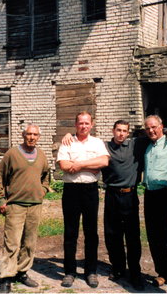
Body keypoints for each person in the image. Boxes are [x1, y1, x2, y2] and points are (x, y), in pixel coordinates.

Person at [61, 120, 167, 291]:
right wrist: (69, 135)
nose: (121, 134)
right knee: (112, 235)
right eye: (118, 130)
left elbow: (156, 131)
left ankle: (135, 274)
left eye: (125, 131)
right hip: (111, 195)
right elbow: (89, 149)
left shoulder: (136, 144)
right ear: (113, 130)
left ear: (128, 132)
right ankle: (118, 269)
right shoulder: (104, 146)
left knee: (132, 237)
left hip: (130, 195)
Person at [0, 124, 51, 293]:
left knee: (29, 242)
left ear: (39, 136)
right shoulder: (12, 153)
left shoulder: (41, 155)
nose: (32, 137)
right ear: (23, 134)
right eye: (29, 134)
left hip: (35, 205)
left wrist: (43, 190)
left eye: (35, 135)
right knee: (11, 242)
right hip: (15, 205)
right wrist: (0, 199)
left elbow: (47, 175)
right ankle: (6, 277)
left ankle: (22, 272)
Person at [56, 111, 110, 288]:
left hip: (90, 190)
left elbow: (103, 162)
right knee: (70, 233)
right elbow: (63, 165)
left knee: (91, 232)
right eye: (80, 123)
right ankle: (70, 272)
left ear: (91, 125)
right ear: (75, 124)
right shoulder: (67, 141)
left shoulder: (97, 142)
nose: (83, 126)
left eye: (87, 123)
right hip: (71, 191)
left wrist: (79, 164)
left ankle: (90, 272)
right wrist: (90, 166)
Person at [142, 115, 167, 291]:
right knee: (154, 236)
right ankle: (162, 273)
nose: (151, 130)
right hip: (150, 195)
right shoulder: (148, 145)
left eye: (154, 127)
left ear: (161, 126)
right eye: (148, 128)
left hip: (166, 195)